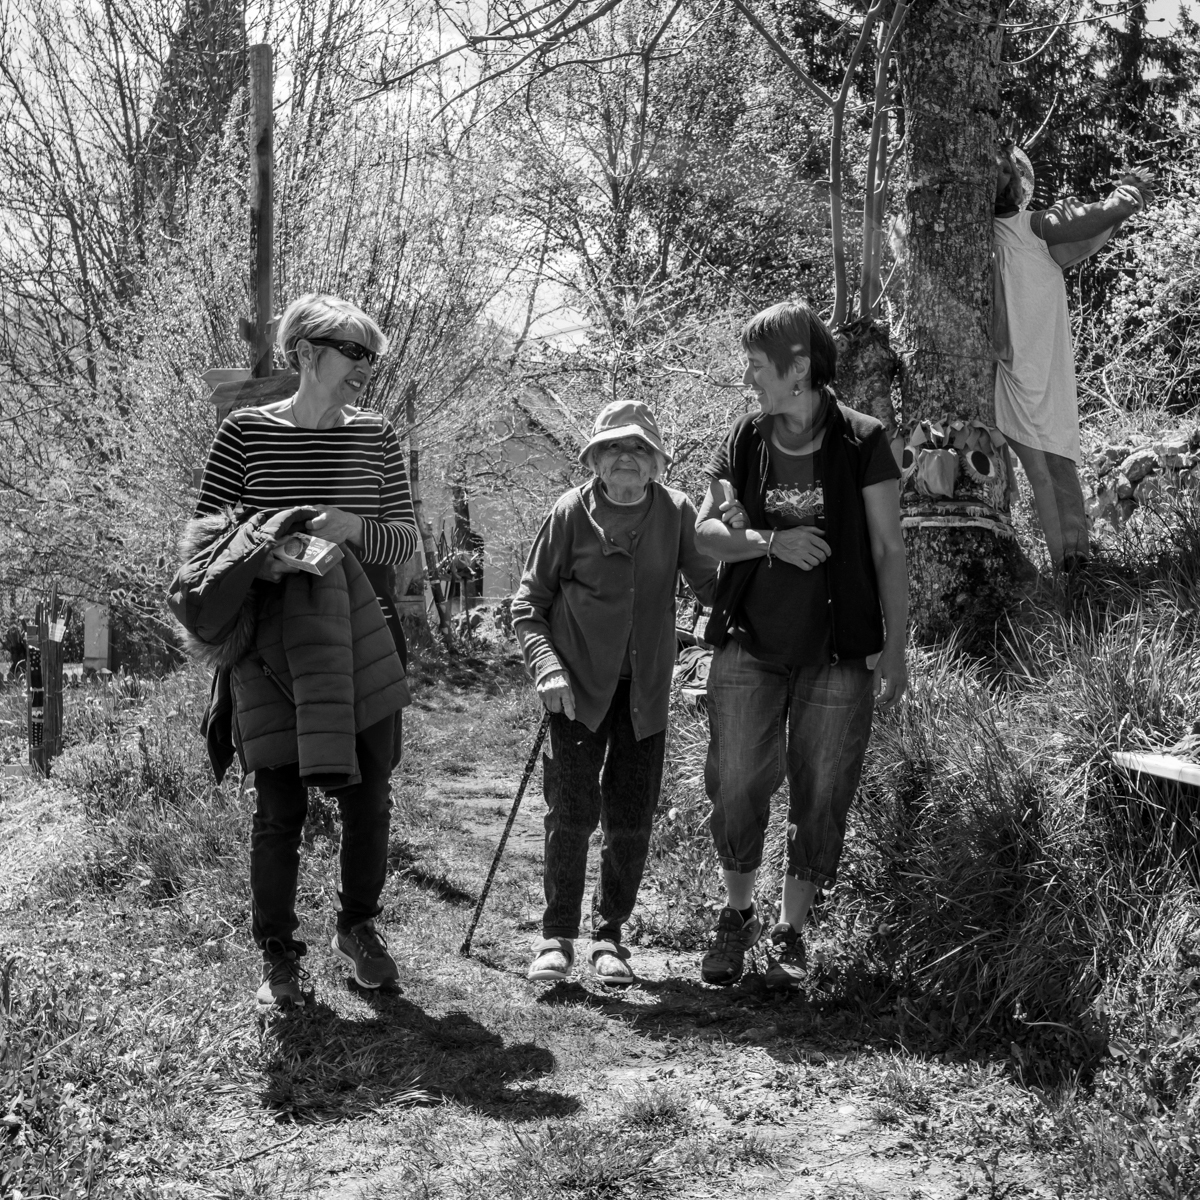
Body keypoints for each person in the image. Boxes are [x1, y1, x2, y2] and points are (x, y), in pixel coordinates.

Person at [183, 292, 418, 1012]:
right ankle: (278, 955)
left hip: (362, 636)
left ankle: (359, 928)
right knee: (279, 805)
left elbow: (406, 544)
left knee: (368, 796)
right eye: (355, 353)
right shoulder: (246, 434)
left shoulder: (376, 437)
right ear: (307, 352)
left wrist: (352, 526)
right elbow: (203, 541)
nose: (365, 371)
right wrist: (265, 559)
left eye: (371, 358)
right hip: (270, 648)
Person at [694, 299, 908, 991]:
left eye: (759, 366)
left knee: (822, 792)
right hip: (750, 642)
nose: (750, 378)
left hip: (840, 651)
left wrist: (896, 647)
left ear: (799, 369)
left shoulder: (863, 440)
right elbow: (706, 533)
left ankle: (791, 931)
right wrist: (770, 540)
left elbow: (887, 548)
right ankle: (736, 916)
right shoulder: (746, 439)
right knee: (735, 782)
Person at [512, 400, 717, 986]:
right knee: (571, 814)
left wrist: (748, 546)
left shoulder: (676, 513)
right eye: (613, 448)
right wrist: (546, 667)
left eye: (639, 449)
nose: (626, 457)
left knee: (632, 816)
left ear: (657, 462)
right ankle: (557, 937)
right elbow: (527, 605)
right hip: (575, 691)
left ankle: (610, 938)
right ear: (595, 459)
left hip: (646, 694)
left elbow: (710, 585)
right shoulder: (569, 513)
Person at [993, 141, 1153, 571]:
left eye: (1005, 171)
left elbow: (1088, 221)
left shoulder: (1030, 227)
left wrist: (1125, 197)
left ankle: (1074, 566)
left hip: (1040, 366)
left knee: (1056, 464)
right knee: (1008, 468)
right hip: (1001, 371)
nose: (999, 178)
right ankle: (1051, 566)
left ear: (1014, 182)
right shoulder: (971, 237)